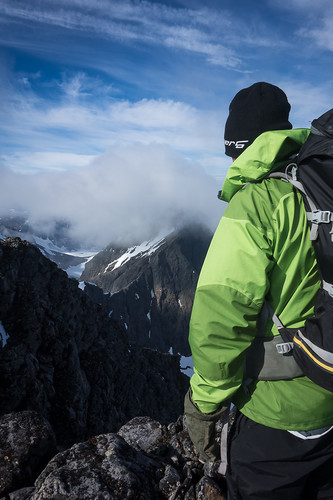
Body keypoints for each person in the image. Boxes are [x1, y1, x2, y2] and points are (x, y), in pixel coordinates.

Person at [184, 82, 333, 499]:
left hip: (277, 415)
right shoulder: (321, 185)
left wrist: (205, 407)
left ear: (238, 146)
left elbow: (220, 317)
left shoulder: (258, 203)